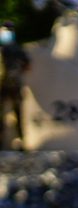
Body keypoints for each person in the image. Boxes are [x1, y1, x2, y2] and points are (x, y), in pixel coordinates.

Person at [0, 21, 30, 150]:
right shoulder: (14, 49)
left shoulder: (17, 49)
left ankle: (21, 142)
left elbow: (27, 66)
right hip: (5, 85)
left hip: (12, 85)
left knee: (17, 115)